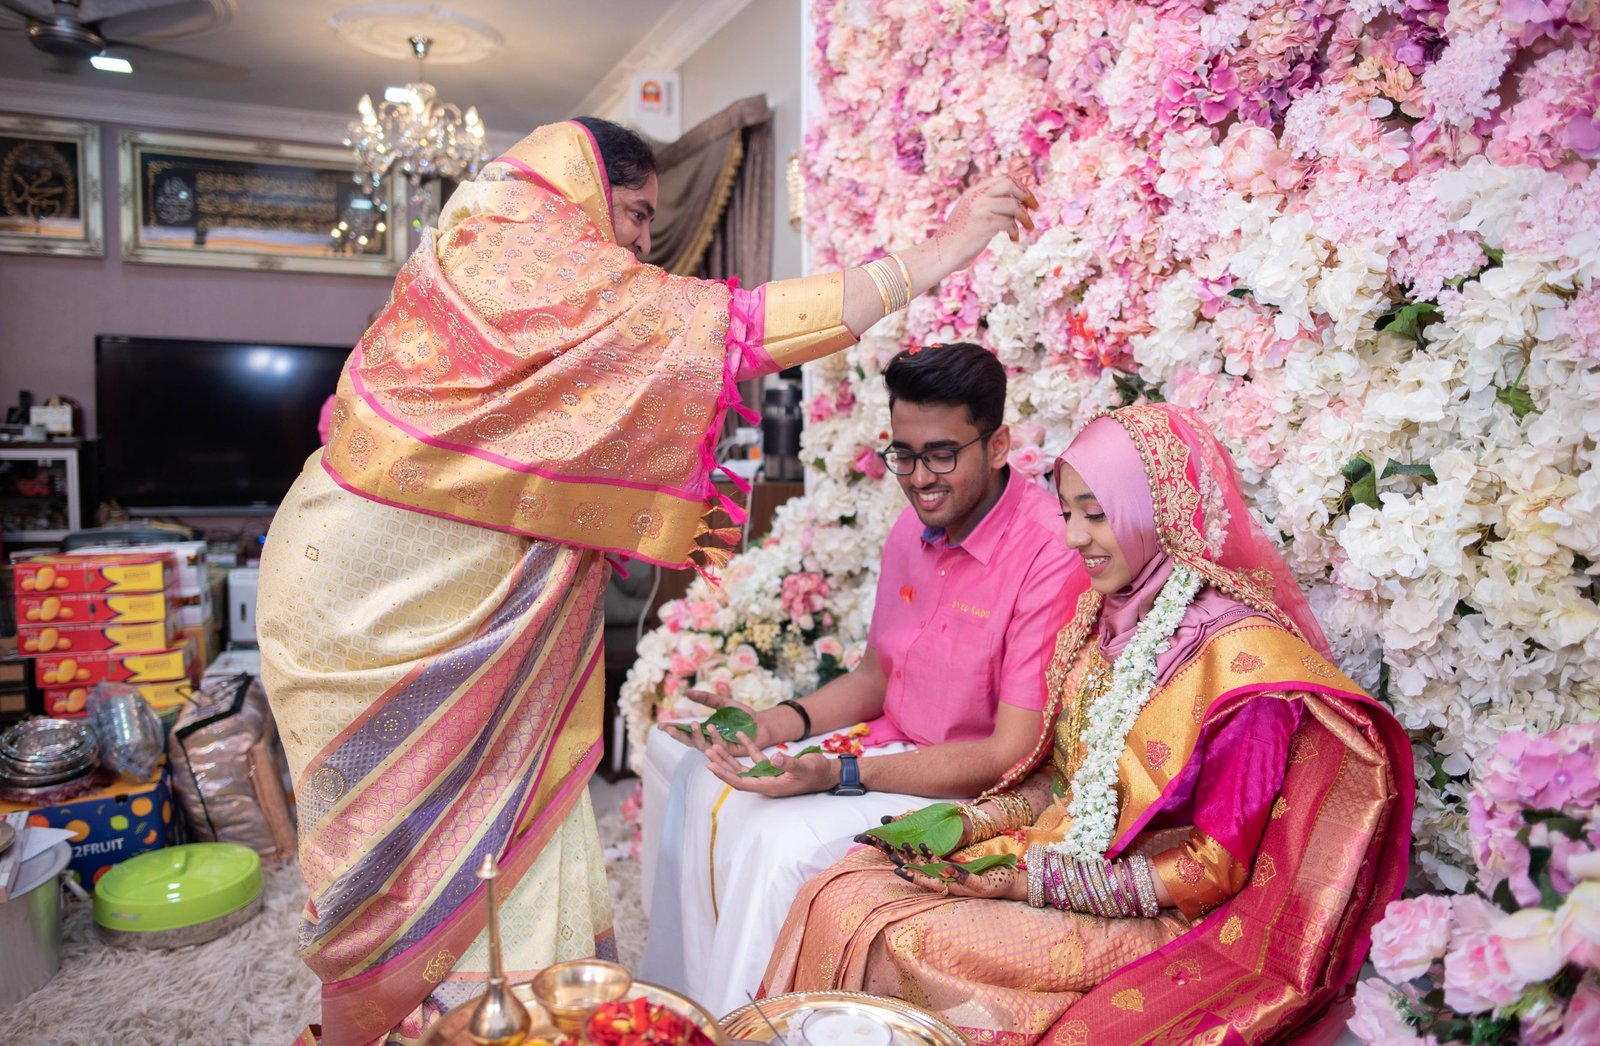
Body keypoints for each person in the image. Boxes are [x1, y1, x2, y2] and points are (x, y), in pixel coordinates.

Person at [256, 114, 1036, 1046]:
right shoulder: (540, 266)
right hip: (380, 610)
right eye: (632, 215)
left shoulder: (476, 252)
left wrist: (790, 732)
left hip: (342, 577)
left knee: (461, 848)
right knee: (390, 854)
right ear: (583, 194)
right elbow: (744, 332)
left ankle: (465, 1020)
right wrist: (943, 251)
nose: (638, 246)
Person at [761, 403, 1415, 1044]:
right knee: (842, 890)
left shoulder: (1242, 664)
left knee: (906, 938)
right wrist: (961, 827)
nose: (1075, 537)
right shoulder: (1107, 623)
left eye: (1095, 515)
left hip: (1161, 915)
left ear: (1154, 511)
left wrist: (1026, 883)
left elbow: (1210, 871)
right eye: (1068, 513)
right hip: (1056, 856)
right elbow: (1064, 783)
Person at [639, 341, 1087, 1016]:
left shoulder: (1049, 550)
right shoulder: (913, 528)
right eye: (904, 455)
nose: (919, 478)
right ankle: (684, 1013)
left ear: (998, 446)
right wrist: (772, 724)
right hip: (885, 746)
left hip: (961, 787)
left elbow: (1008, 754)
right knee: (700, 776)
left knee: (775, 841)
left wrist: (838, 774)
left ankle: (747, 1027)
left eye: (942, 454)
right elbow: (877, 674)